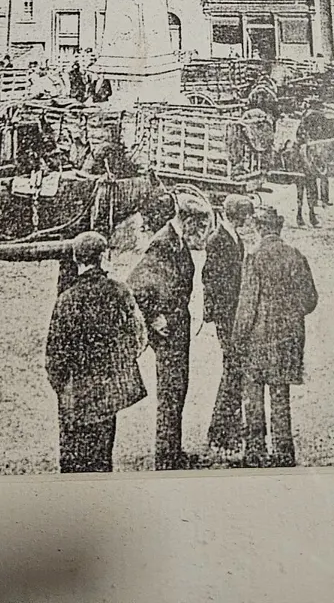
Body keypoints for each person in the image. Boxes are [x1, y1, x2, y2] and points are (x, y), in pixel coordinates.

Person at [45, 231, 147, 473]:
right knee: (102, 459)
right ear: (104, 256)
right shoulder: (120, 291)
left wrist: (63, 387)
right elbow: (138, 338)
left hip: (74, 395)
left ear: (76, 259)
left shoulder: (67, 299)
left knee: (71, 460)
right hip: (106, 394)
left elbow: (53, 356)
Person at [127, 192, 212, 470]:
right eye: (197, 224)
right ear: (185, 220)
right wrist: (153, 317)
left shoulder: (174, 240)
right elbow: (137, 285)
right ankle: (166, 457)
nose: (199, 231)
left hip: (177, 327)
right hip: (169, 332)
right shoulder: (163, 244)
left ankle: (172, 451)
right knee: (171, 391)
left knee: (177, 390)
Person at [233, 206, 318, 469]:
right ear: (279, 227)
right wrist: (290, 316)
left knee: (254, 393)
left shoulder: (254, 257)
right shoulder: (296, 256)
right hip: (288, 339)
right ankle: (283, 451)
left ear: (259, 227)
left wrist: (238, 338)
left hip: (259, 339)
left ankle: (255, 451)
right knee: (281, 395)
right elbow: (310, 300)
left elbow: (247, 304)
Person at [202, 194, 253, 455]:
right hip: (227, 316)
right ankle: (220, 432)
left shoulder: (231, 236)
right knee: (233, 369)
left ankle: (228, 427)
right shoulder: (218, 239)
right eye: (246, 216)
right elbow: (211, 279)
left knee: (235, 370)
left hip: (233, 314)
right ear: (238, 215)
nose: (249, 221)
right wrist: (223, 315)